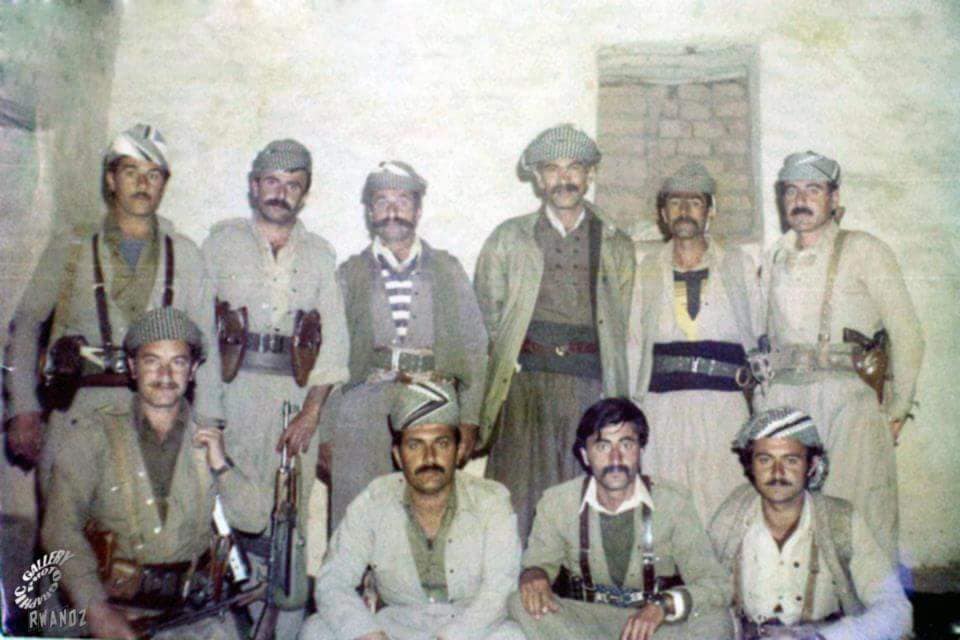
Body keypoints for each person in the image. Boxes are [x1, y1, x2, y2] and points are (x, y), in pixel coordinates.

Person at [2, 124, 217, 634]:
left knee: (141, 541)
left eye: (154, 174)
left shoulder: (185, 254)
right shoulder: (74, 246)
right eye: (130, 172)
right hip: (78, 413)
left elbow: (204, 347)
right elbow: (26, 325)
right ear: (110, 180)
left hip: (155, 420)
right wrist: (23, 407)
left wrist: (208, 427)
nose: (143, 184)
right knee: (63, 542)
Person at [41, 307, 262, 639]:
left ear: (193, 370)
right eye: (152, 361)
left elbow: (255, 519)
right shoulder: (93, 435)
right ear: (132, 367)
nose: (165, 374)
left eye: (178, 362)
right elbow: (60, 530)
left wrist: (221, 465)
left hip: (191, 618)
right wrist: (96, 610)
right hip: (107, 610)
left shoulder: (212, 438)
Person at [201, 138, 350, 632]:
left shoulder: (320, 254)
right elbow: (200, 331)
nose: (280, 193)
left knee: (288, 521)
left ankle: (283, 628)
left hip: (295, 403)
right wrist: (208, 415)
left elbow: (335, 343)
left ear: (304, 194)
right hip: (233, 394)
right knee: (227, 512)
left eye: (292, 185)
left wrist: (312, 413)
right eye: (271, 182)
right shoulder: (220, 244)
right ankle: (223, 625)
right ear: (253, 186)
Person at [756, 151, 924, 561]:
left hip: (849, 400)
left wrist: (898, 410)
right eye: (791, 190)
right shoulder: (774, 257)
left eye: (813, 190)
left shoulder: (865, 250)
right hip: (788, 402)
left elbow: (908, 334)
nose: (801, 199)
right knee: (792, 518)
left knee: (859, 514)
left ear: (833, 198)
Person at [474, 124, 635, 537]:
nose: (564, 179)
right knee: (516, 502)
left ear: (590, 174)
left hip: (588, 386)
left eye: (574, 168)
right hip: (525, 388)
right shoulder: (509, 239)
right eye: (552, 169)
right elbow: (487, 318)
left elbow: (622, 318)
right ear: (538, 178)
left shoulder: (615, 242)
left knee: (582, 502)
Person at [320, 160, 488, 529]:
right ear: (369, 211)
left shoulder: (447, 269)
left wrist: (470, 419)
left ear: (418, 210)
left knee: (426, 516)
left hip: (432, 401)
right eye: (382, 201)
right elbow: (329, 354)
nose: (392, 211)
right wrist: (327, 431)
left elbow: (476, 350)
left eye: (403, 201)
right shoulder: (349, 273)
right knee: (357, 516)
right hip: (363, 405)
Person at [303, 380, 524, 640]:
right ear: (398, 456)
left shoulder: (491, 500)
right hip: (396, 625)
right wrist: (369, 634)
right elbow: (333, 580)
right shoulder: (374, 499)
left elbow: (500, 589)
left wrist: (451, 637)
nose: (429, 457)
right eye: (415, 445)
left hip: (467, 626)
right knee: (316, 631)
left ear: (457, 451)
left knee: (511, 637)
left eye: (441, 444)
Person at [509, 397, 732, 640]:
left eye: (626, 445)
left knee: (716, 621)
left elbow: (715, 582)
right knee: (520, 603)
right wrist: (534, 576)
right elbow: (536, 566)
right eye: (603, 447)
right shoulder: (557, 503)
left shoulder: (674, 503)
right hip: (587, 623)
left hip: (655, 626)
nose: (615, 459)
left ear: (640, 451)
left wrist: (664, 605)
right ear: (585, 455)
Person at [629, 162, 761, 525]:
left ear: (710, 211)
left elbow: (759, 336)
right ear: (662, 213)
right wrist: (634, 410)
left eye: (695, 202)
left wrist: (761, 405)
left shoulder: (737, 265)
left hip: (724, 409)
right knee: (665, 507)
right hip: (662, 409)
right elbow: (633, 343)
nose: (684, 210)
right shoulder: (647, 269)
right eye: (675, 202)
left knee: (725, 506)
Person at [709, 407, 912, 639]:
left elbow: (896, 608)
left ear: (812, 465)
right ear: (751, 466)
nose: (777, 472)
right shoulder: (731, 517)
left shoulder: (840, 520)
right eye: (765, 460)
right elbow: (700, 595)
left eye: (791, 460)